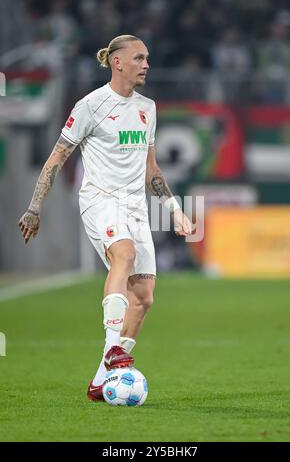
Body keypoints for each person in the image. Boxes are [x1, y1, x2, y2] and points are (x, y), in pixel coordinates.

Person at [18, 35, 192, 401]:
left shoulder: (148, 107)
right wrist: (35, 207)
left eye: (147, 58)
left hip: (135, 205)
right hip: (100, 199)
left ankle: (101, 380)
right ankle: (115, 351)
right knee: (124, 255)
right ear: (117, 62)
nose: (146, 64)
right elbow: (56, 158)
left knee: (143, 297)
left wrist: (175, 210)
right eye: (139, 58)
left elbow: (152, 169)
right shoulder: (91, 106)